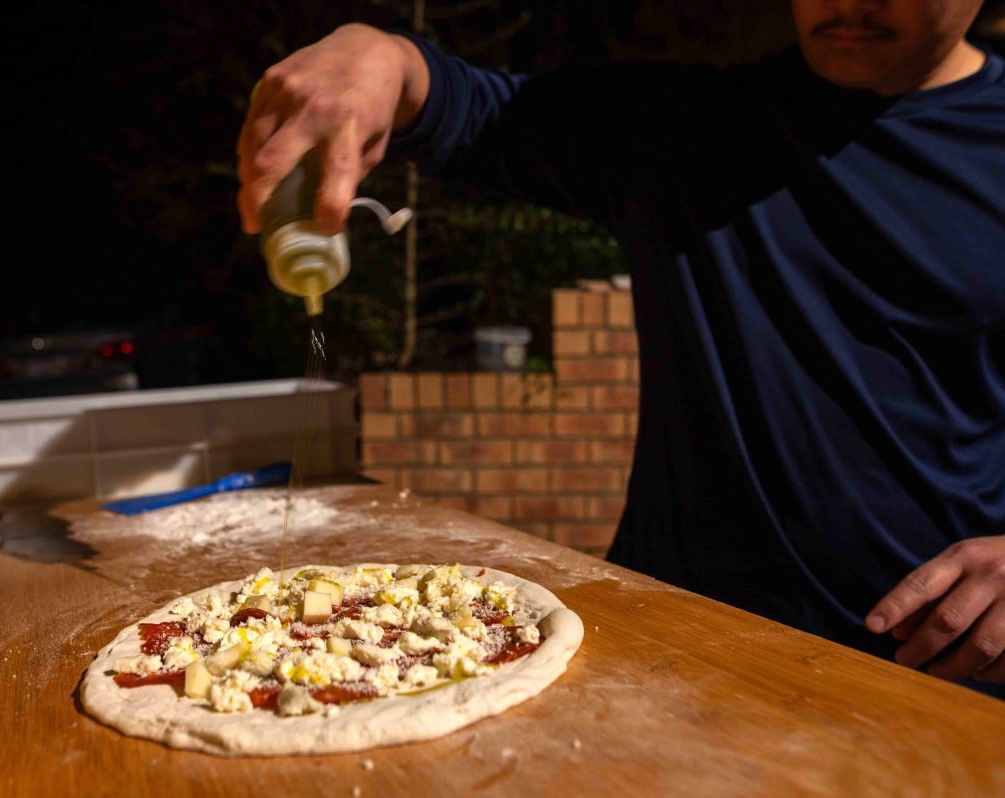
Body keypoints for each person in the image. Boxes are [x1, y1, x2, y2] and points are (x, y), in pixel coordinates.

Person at [236, 1, 1005, 697]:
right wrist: (378, 54)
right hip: (673, 669)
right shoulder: (688, 130)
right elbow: (463, 107)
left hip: (939, 681)